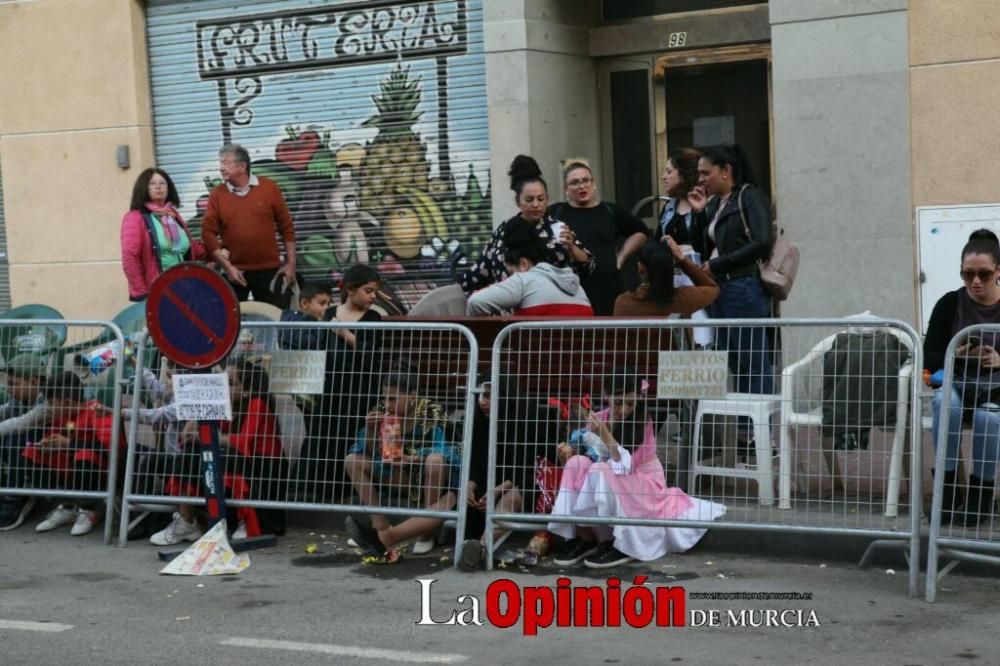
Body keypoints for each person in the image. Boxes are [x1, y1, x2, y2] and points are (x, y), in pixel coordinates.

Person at [548, 368, 725, 568]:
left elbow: (625, 466)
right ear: (607, 396)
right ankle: (586, 537)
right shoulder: (599, 418)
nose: (623, 409)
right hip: (611, 479)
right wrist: (568, 456)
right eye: (618, 402)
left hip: (644, 484)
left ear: (639, 400)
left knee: (600, 470)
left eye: (630, 403)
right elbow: (591, 457)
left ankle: (622, 544)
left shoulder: (644, 422)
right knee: (576, 464)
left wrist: (605, 434)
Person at [150, 359, 285, 545]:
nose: (223, 388)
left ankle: (245, 521)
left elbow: (243, 442)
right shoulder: (223, 403)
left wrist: (204, 437)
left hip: (263, 469)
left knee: (224, 456)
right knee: (190, 452)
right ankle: (186, 522)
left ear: (246, 390)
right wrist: (203, 404)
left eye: (230, 384)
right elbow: (187, 435)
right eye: (222, 383)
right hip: (238, 460)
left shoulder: (257, 405)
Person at [691, 144, 775, 444]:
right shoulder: (715, 204)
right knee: (736, 361)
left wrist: (718, 264)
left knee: (754, 360)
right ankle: (745, 433)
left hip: (743, 286)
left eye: (706, 173)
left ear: (726, 171)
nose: (701, 179)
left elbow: (763, 242)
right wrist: (701, 215)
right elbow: (705, 243)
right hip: (721, 290)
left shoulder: (749, 197)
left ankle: (762, 435)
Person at [343, 364, 460, 560]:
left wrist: (413, 458)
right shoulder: (380, 411)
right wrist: (371, 431)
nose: (387, 404)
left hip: (429, 478)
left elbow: (450, 452)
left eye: (393, 398)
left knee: (435, 461)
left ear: (413, 397)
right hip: (396, 475)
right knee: (352, 460)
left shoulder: (432, 412)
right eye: (385, 397)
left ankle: (426, 533)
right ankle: (380, 527)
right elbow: (369, 452)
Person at [925, 229, 1000, 526]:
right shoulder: (950, 304)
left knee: (989, 418)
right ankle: (948, 491)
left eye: (983, 273)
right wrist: (956, 353)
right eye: (967, 275)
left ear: (998, 271)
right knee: (945, 402)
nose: (975, 282)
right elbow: (930, 356)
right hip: (957, 383)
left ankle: (980, 497)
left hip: (995, 391)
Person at [460, 155, 594, 293]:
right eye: (529, 200)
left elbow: (589, 266)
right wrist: (458, 288)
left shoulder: (558, 228)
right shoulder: (504, 230)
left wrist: (571, 247)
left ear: (547, 199)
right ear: (518, 201)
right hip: (510, 308)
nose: (535, 205)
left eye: (540, 199)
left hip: (551, 307)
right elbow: (481, 270)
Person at [21, 373, 117, 537]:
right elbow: (55, 437)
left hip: (102, 471)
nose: (49, 408)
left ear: (67, 402)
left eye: (51, 403)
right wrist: (47, 445)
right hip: (71, 469)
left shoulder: (96, 411)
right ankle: (66, 505)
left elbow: (109, 448)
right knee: (31, 452)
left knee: (84, 455)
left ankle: (89, 510)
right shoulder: (63, 417)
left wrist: (69, 444)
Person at [549, 158, 649, 315]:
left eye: (585, 180)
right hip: (569, 290)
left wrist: (621, 257)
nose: (581, 186)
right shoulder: (556, 212)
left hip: (607, 287)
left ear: (593, 183)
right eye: (574, 182)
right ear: (566, 189)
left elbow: (641, 232)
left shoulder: (609, 211)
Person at [202, 144, 297, 306]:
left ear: (242, 166)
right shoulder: (217, 194)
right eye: (220, 163)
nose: (221, 168)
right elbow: (207, 232)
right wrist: (227, 266)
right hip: (235, 272)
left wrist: (291, 264)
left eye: (226, 163)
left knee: (272, 321)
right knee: (232, 323)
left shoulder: (269, 188)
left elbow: (286, 226)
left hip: (268, 270)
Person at [466, 222, 593, 316]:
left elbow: (475, 302)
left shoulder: (524, 280)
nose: (511, 279)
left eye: (510, 273)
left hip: (540, 351)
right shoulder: (577, 287)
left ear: (523, 263)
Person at [120, 167, 206, 301]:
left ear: (169, 188)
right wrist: (142, 295)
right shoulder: (135, 217)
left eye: (162, 183)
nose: (158, 187)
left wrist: (218, 251)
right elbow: (130, 258)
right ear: (144, 188)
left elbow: (190, 247)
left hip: (184, 287)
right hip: (157, 292)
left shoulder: (172, 215)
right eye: (152, 184)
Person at [0, 354, 48, 530]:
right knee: (9, 435)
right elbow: (6, 411)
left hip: (51, 453)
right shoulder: (21, 397)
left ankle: (16, 496)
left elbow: (24, 422)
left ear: (34, 382)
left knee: (14, 437)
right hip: (31, 448)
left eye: (13, 384)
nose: (8, 389)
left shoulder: (49, 400)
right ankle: (5, 488)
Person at [614, 237, 719, 317]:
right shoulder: (683, 299)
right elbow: (713, 288)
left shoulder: (623, 304)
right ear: (671, 267)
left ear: (640, 269)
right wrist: (682, 260)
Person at [657, 148, 704, 253]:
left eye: (669, 172)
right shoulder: (669, 206)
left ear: (683, 175)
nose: (663, 177)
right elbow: (657, 242)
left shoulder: (706, 206)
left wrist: (690, 249)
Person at [278, 282, 334, 351]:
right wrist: (320, 324)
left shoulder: (311, 320)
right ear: (304, 303)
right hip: (294, 359)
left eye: (328, 304)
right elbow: (308, 343)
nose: (326, 307)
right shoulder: (294, 320)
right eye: (322, 303)